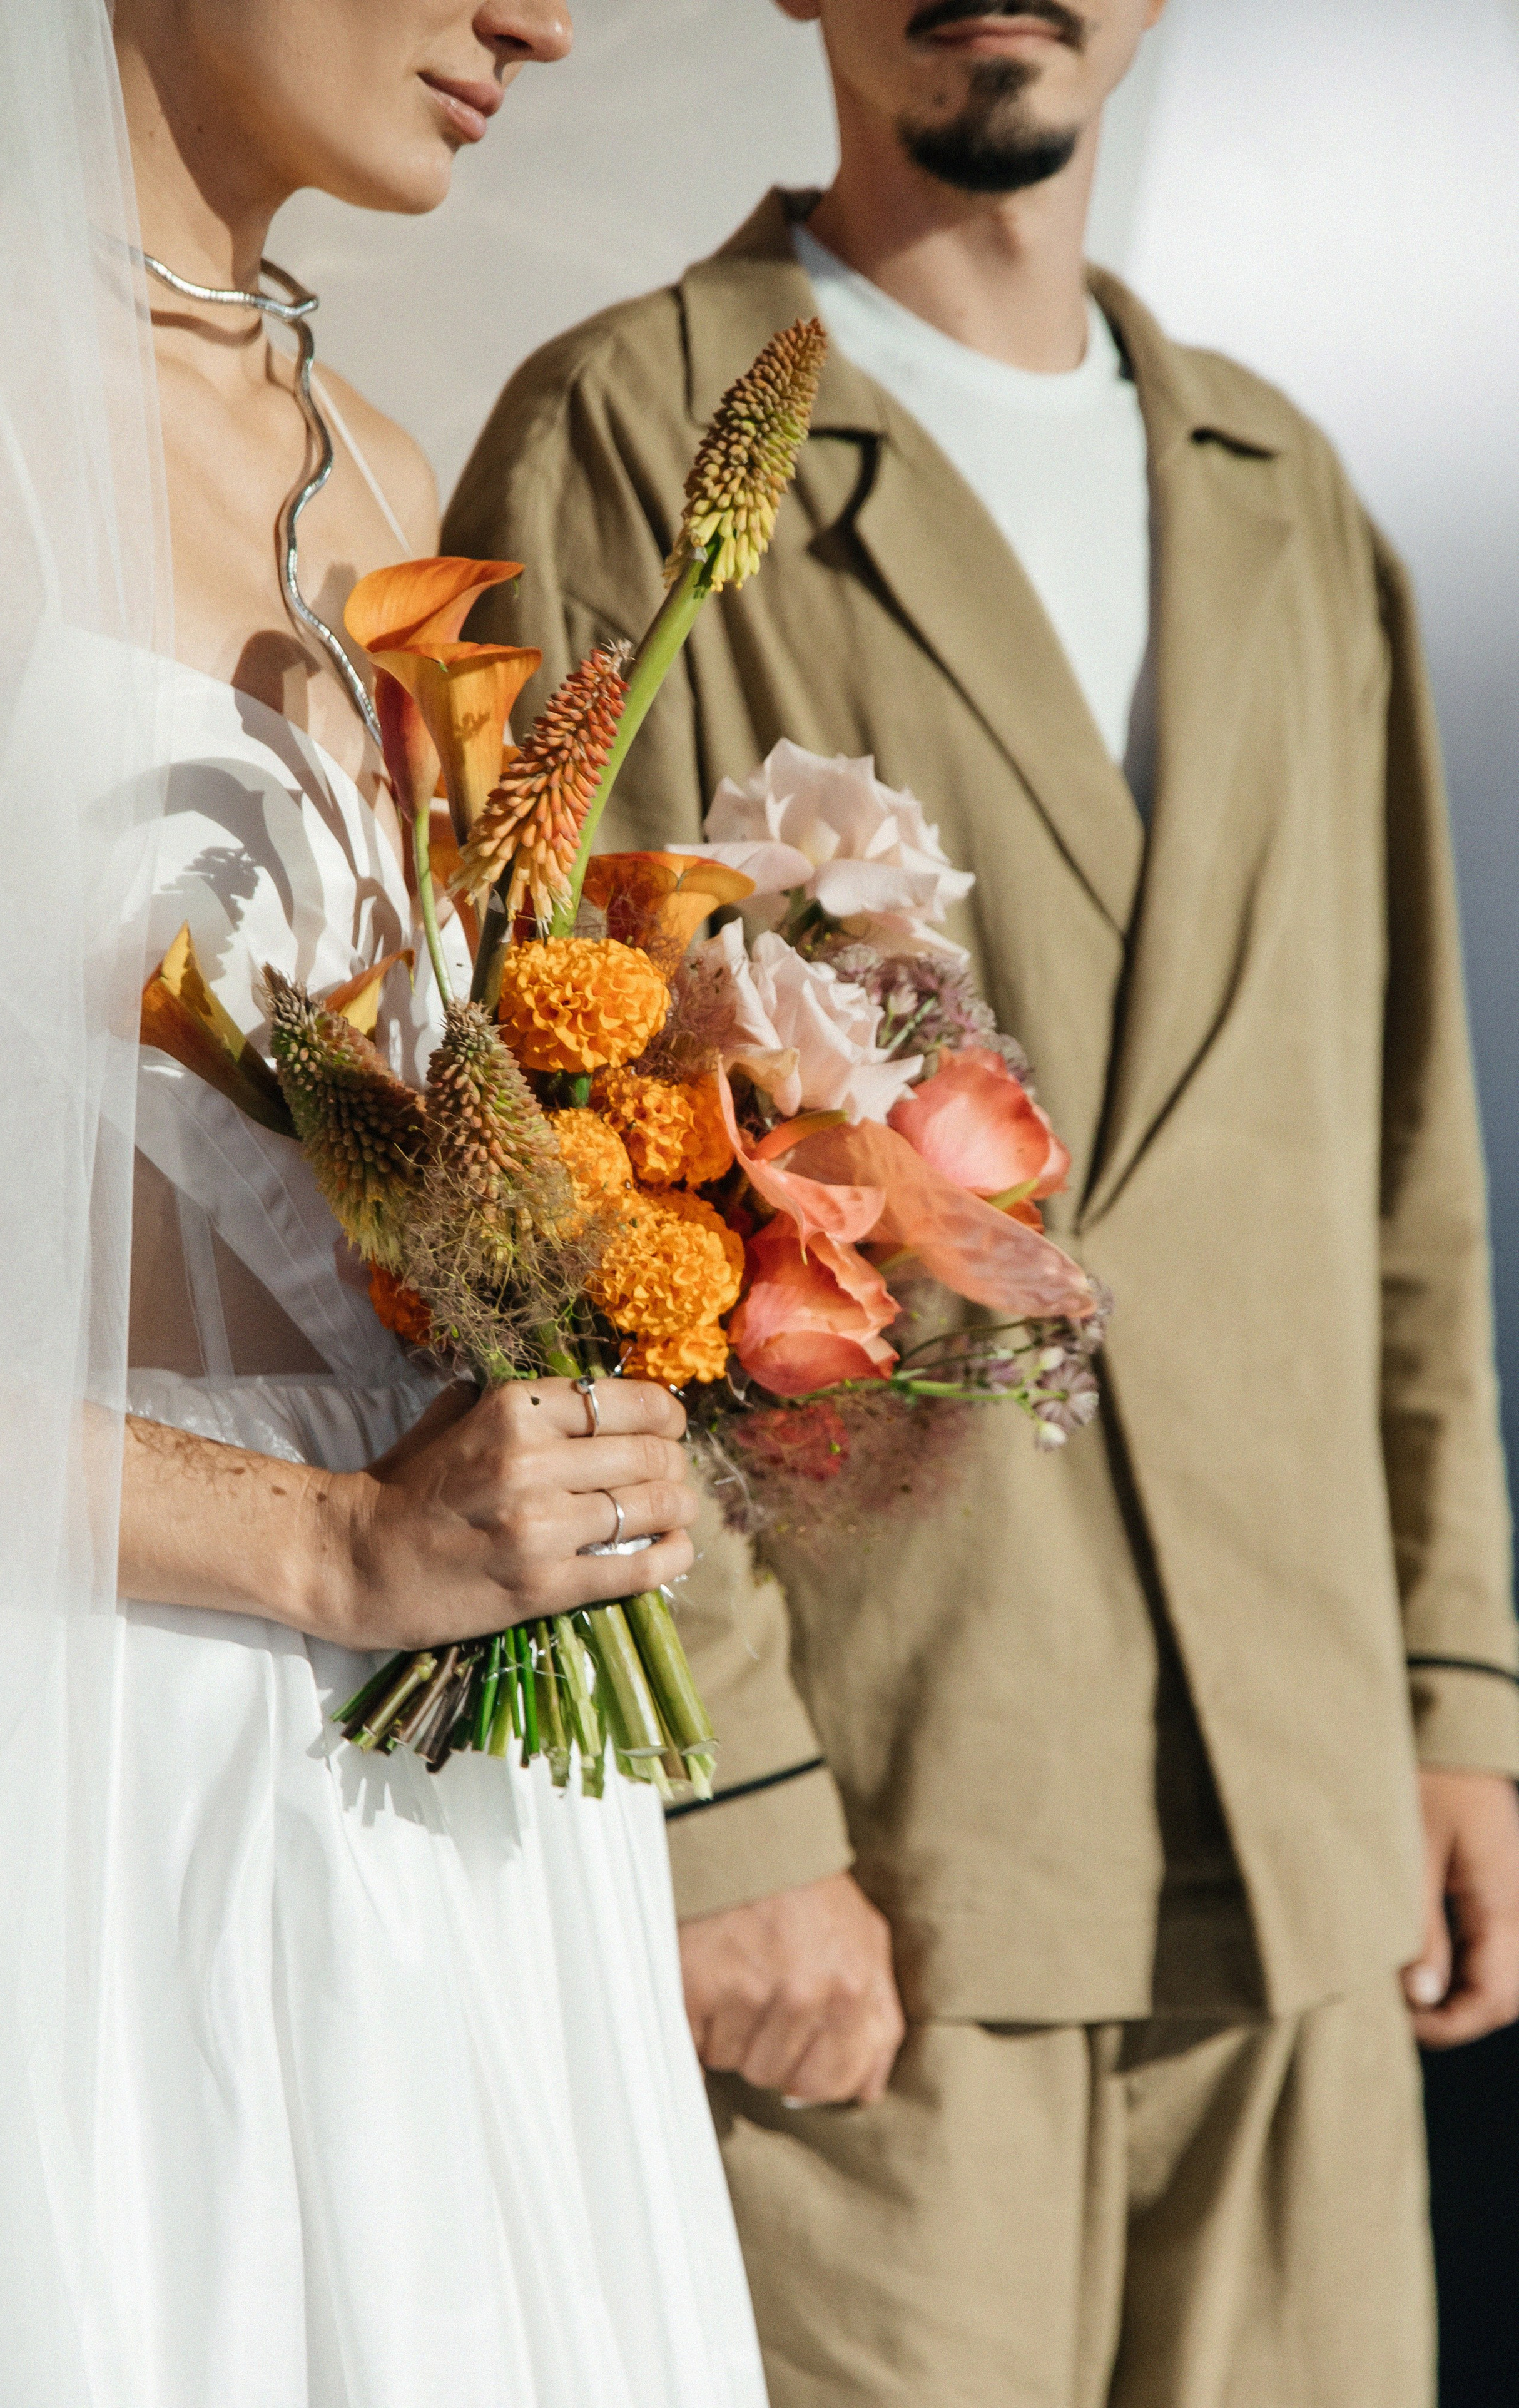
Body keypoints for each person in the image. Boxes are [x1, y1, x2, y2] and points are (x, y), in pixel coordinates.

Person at [442, 1, 1519, 2400]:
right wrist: (719, 1803)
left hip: (1301, 1831)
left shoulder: (1287, 495)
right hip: (886, 1867)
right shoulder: (624, 433)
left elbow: (1399, 1165)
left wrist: (1456, 1689)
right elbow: (531, 1175)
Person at [0, 3, 770, 2402]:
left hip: (441, 1811)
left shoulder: (372, 462)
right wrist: (316, 1551)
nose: (545, 18)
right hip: (78, 1746)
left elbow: (391, 1172)